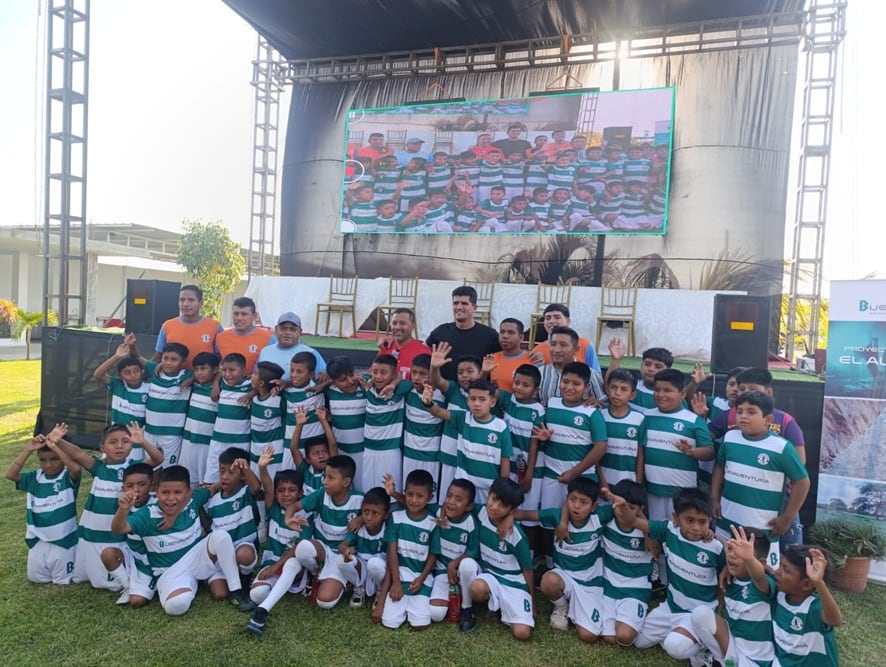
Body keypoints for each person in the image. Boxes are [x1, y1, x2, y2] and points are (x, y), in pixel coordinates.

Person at [111, 464, 256, 615]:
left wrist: (235, 477)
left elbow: (212, 489)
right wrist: (123, 509)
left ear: (187, 492)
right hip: (170, 571)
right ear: (157, 491)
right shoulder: (147, 514)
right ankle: (191, 582)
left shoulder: (193, 499)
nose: (171, 498)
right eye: (165, 492)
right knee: (176, 606)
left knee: (221, 536)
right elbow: (118, 528)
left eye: (178, 492)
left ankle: (236, 591)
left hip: (196, 558)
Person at [613, 486, 724, 665]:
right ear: (676, 518)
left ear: (710, 521)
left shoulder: (715, 547)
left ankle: (703, 650)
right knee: (639, 641)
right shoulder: (669, 530)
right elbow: (632, 521)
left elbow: (724, 582)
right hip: (671, 608)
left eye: (702, 522)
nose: (696, 528)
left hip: (696, 614)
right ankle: (683, 635)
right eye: (689, 520)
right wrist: (623, 506)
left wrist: (715, 611)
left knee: (674, 646)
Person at [55, 423, 162, 590]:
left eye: (125, 441)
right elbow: (78, 453)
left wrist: (142, 442)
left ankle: (126, 583)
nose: (119, 446)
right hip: (90, 531)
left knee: (106, 582)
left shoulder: (133, 468)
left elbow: (158, 459)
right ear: (102, 447)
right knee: (82, 576)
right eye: (113, 442)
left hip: (113, 536)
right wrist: (58, 441)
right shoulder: (99, 467)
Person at [711, 391, 810, 566]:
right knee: (724, 567)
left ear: (768, 419)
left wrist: (787, 517)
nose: (743, 416)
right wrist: (714, 498)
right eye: (739, 411)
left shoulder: (781, 447)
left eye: (751, 412)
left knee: (758, 573)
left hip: (761, 531)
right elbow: (719, 467)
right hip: (726, 523)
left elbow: (803, 482)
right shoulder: (730, 437)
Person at [517, 477, 608, 642]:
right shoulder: (557, 516)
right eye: (572, 499)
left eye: (584, 502)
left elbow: (627, 509)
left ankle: (578, 608)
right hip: (564, 579)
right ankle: (561, 606)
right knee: (548, 580)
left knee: (588, 636)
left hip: (590, 585)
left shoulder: (599, 518)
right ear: (566, 500)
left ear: (594, 506)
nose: (576, 506)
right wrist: (507, 517)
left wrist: (647, 534)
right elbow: (525, 515)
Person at [459, 477, 534, 640]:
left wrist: (532, 600)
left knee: (522, 633)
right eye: (493, 499)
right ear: (488, 494)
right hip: (489, 576)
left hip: (512, 582)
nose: (494, 507)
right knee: (476, 587)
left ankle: (499, 608)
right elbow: (459, 507)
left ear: (511, 510)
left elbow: (528, 569)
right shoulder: (480, 512)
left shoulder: (516, 535)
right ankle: (472, 608)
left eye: (503, 505)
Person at [690, 526, 776, 666]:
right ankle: (721, 661)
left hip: (757, 661)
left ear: (760, 563)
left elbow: (758, 575)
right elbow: (723, 547)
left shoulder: (763, 584)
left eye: (742, 554)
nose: (732, 555)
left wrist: (749, 560)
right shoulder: (730, 578)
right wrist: (713, 536)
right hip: (733, 648)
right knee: (700, 614)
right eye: (730, 549)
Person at [247, 450, 311, 635]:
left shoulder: (304, 515)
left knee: (292, 562)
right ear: (275, 494)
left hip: (293, 567)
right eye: (281, 490)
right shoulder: (273, 508)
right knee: (256, 594)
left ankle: (262, 612)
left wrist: (276, 567)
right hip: (271, 562)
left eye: (292, 490)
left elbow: (298, 547)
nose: (286, 494)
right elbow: (267, 486)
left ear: (300, 493)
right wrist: (262, 467)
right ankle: (279, 588)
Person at [5, 427, 81, 585]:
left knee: (62, 581)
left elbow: (75, 468)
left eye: (54, 459)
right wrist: (28, 450)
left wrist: (55, 445)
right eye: (43, 460)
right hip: (39, 539)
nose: (48, 465)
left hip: (64, 540)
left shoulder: (67, 477)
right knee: (36, 579)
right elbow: (10, 475)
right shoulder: (35, 477)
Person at [288, 454, 364, 610]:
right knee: (302, 548)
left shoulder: (359, 499)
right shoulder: (322, 494)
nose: (325, 482)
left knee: (324, 602)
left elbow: (379, 513)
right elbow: (294, 506)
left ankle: (347, 580)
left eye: (331, 478)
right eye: (325, 476)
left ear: (346, 482)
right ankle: (315, 572)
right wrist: (288, 518)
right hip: (322, 548)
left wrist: (362, 518)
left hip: (342, 553)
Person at [638, 368, 714, 521]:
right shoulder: (645, 417)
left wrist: (692, 452)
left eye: (667, 390)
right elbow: (641, 452)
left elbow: (709, 451)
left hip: (684, 493)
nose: (661, 395)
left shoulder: (693, 420)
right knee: (657, 529)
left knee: (680, 530)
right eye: (657, 390)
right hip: (653, 490)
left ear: (683, 393)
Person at [422, 378, 512, 504]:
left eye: (482, 399)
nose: (477, 404)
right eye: (473, 399)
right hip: (463, 487)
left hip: (489, 489)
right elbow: (438, 412)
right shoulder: (463, 419)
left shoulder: (500, 426)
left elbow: (505, 459)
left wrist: (502, 488)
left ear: (492, 402)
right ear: (467, 401)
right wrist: (428, 403)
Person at [534, 361, 607, 511]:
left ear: (587, 387)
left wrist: (574, 473)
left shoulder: (592, 412)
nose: (569, 387)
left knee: (577, 518)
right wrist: (545, 438)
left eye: (576, 384)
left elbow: (600, 446)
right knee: (549, 517)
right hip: (552, 475)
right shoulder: (552, 404)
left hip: (582, 478)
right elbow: (547, 433)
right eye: (565, 381)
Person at [379, 469, 438, 630]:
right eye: (410, 494)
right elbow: (392, 552)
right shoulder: (396, 517)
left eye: (420, 496)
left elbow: (433, 555)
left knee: (420, 625)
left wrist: (422, 578)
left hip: (421, 577)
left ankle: (415, 605)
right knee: (389, 623)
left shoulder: (433, 521)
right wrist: (396, 583)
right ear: (405, 493)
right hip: (400, 575)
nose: (414, 500)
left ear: (429, 498)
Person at [598, 479, 653, 647]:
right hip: (608, 587)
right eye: (620, 506)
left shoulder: (648, 531)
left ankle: (639, 618)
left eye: (631, 508)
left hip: (635, 590)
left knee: (624, 636)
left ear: (640, 509)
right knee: (609, 639)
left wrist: (646, 532)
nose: (624, 512)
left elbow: (656, 550)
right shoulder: (607, 523)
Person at [428, 343, 483, 501]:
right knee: (446, 499)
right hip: (449, 456)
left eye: (470, 371)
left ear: (480, 373)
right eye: (460, 372)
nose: (464, 375)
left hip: (471, 460)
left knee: (466, 500)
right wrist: (434, 368)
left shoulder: (484, 398)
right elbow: (437, 381)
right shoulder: (453, 390)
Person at [771, 544, 842, 665]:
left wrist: (819, 583)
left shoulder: (814, 607)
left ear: (807, 584)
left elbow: (835, 620)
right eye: (780, 566)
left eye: (786, 570)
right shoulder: (778, 595)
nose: (777, 572)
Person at [101, 462, 154, 606]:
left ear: (152, 486)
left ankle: (144, 586)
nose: (136, 490)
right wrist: (123, 509)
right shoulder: (124, 505)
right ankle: (128, 586)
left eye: (142, 485)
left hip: (151, 559)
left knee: (137, 602)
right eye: (130, 486)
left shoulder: (158, 504)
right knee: (108, 554)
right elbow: (117, 529)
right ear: (123, 488)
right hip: (132, 554)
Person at [428, 478, 480, 624]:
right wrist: (393, 493)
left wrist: (453, 564)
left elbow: (473, 552)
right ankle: (454, 596)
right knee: (436, 614)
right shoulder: (440, 514)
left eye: (458, 499)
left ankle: (466, 606)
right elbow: (417, 504)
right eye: (449, 496)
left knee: (467, 565)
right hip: (442, 572)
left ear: (469, 506)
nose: (451, 502)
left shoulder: (470, 522)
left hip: (462, 573)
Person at [426, 286, 500, 382]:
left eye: (464, 303)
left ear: (474, 308)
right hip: (445, 388)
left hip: (477, 389)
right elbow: (423, 352)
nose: (459, 307)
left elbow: (506, 356)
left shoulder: (489, 335)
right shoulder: (441, 332)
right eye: (455, 303)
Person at [362, 354, 412, 492]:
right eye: (375, 372)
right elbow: (358, 376)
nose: (378, 377)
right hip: (368, 450)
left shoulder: (400, 389)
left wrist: (394, 384)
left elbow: (406, 381)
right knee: (369, 491)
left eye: (384, 373)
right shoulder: (367, 386)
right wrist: (370, 378)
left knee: (389, 492)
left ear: (393, 374)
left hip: (390, 451)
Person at [337, 487, 390, 610]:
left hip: (380, 571)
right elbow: (342, 545)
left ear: (386, 514)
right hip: (363, 569)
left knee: (375, 564)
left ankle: (381, 590)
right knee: (341, 560)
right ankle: (359, 587)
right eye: (366, 512)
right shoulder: (359, 527)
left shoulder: (388, 529)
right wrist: (346, 550)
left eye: (375, 513)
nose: (369, 517)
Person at [142, 341, 194, 468]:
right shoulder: (155, 371)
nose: (168, 362)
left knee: (168, 469)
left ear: (183, 362)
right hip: (149, 431)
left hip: (172, 434)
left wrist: (192, 379)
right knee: (149, 467)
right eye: (165, 358)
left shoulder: (187, 375)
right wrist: (132, 346)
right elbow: (137, 357)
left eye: (174, 359)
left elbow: (209, 374)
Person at [204, 354, 253, 485]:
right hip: (217, 441)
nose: (227, 374)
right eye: (224, 370)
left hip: (240, 442)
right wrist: (215, 384)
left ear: (244, 371)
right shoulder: (222, 384)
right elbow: (218, 376)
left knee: (237, 480)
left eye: (232, 370)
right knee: (211, 478)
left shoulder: (251, 386)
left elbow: (263, 387)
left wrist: (251, 394)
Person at [402, 354, 445, 501]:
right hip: (409, 454)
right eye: (414, 372)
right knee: (410, 496)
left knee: (428, 498)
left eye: (422, 373)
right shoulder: (408, 391)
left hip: (431, 456)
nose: (416, 377)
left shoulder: (441, 395)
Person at [152, 284, 223, 369]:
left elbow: (222, 359)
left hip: (202, 377)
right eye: (182, 300)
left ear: (201, 303)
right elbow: (158, 356)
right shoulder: (167, 326)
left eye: (191, 300)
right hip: (175, 377)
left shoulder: (215, 327)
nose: (185, 304)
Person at [597, 369, 646, 489]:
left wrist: (638, 484)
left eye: (624, 389)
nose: (617, 393)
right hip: (602, 482)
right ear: (607, 389)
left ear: (632, 395)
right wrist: (601, 482)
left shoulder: (639, 419)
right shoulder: (599, 416)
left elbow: (640, 454)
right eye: (613, 387)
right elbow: (593, 452)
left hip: (629, 483)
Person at [324, 356, 367, 489]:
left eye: (351, 375)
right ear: (333, 382)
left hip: (364, 453)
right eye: (343, 380)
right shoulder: (329, 391)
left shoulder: (365, 386)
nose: (350, 381)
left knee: (362, 489)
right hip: (341, 452)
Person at [178, 351, 220, 488]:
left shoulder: (219, 390)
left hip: (206, 443)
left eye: (203, 369)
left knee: (205, 482)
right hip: (188, 441)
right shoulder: (194, 386)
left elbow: (222, 371)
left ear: (215, 370)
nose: (199, 373)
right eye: (196, 370)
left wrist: (216, 383)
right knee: (188, 481)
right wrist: (192, 379)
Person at [93, 333, 148, 428]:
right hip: (117, 433)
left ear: (141, 371)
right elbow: (98, 375)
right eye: (127, 373)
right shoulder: (118, 385)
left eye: (136, 371)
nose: (133, 375)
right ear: (120, 376)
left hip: (138, 435)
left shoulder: (149, 388)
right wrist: (116, 356)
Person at [538, 327, 605, 404]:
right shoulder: (541, 372)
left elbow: (603, 403)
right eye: (553, 344)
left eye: (563, 345)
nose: (557, 350)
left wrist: (598, 403)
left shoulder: (590, 374)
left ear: (576, 349)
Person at [529, 303, 602, 373]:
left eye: (557, 317)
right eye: (548, 318)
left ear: (568, 321)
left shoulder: (585, 345)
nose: (551, 321)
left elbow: (596, 374)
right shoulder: (538, 351)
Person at [256, 312, 326, 381]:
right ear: (276, 330)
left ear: (300, 332)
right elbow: (256, 375)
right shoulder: (265, 351)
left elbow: (325, 376)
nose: (287, 332)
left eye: (293, 329)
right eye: (283, 328)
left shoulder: (310, 353)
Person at [607, 342, 674, 414]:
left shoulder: (670, 395)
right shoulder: (632, 386)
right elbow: (611, 383)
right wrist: (616, 359)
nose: (651, 369)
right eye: (647, 364)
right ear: (641, 366)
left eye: (658, 367)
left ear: (668, 371)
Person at [215, 296, 275, 374]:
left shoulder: (268, 339)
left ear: (254, 316)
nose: (239, 318)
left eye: (244, 314)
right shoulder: (220, 338)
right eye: (236, 314)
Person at [248, 361, 287, 480]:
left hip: (273, 454)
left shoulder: (278, 400)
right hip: (255, 452)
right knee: (257, 486)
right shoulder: (254, 399)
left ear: (261, 383)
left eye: (255, 374)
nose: (251, 376)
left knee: (271, 485)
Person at [377, 308, 431, 380]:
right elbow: (373, 373)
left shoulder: (424, 352)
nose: (397, 327)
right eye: (394, 323)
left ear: (413, 326)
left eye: (402, 323)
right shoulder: (385, 346)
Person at [485, 318, 530, 392]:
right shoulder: (492, 359)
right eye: (502, 332)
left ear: (521, 337)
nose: (505, 336)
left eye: (511, 333)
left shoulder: (532, 359)